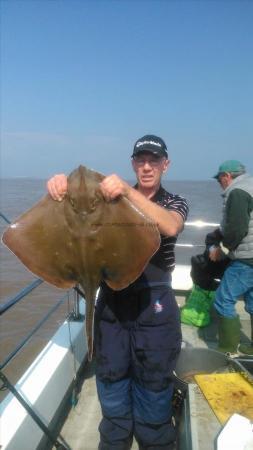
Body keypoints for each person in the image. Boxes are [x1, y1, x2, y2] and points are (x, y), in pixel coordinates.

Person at [47, 134, 188, 450]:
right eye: (141, 160)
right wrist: (61, 188)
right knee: (111, 384)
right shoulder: (111, 202)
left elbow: (170, 226)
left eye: (154, 160)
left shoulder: (174, 202)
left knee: (153, 390)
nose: (147, 167)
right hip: (112, 304)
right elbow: (79, 216)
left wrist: (125, 190)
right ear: (133, 164)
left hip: (155, 307)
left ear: (166, 164)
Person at [209, 160, 253, 355]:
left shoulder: (237, 192)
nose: (220, 184)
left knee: (223, 299)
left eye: (220, 180)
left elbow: (237, 229)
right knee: (252, 301)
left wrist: (222, 250)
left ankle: (227, 350)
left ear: (226, 176)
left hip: (247, 258)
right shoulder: (250, 186)